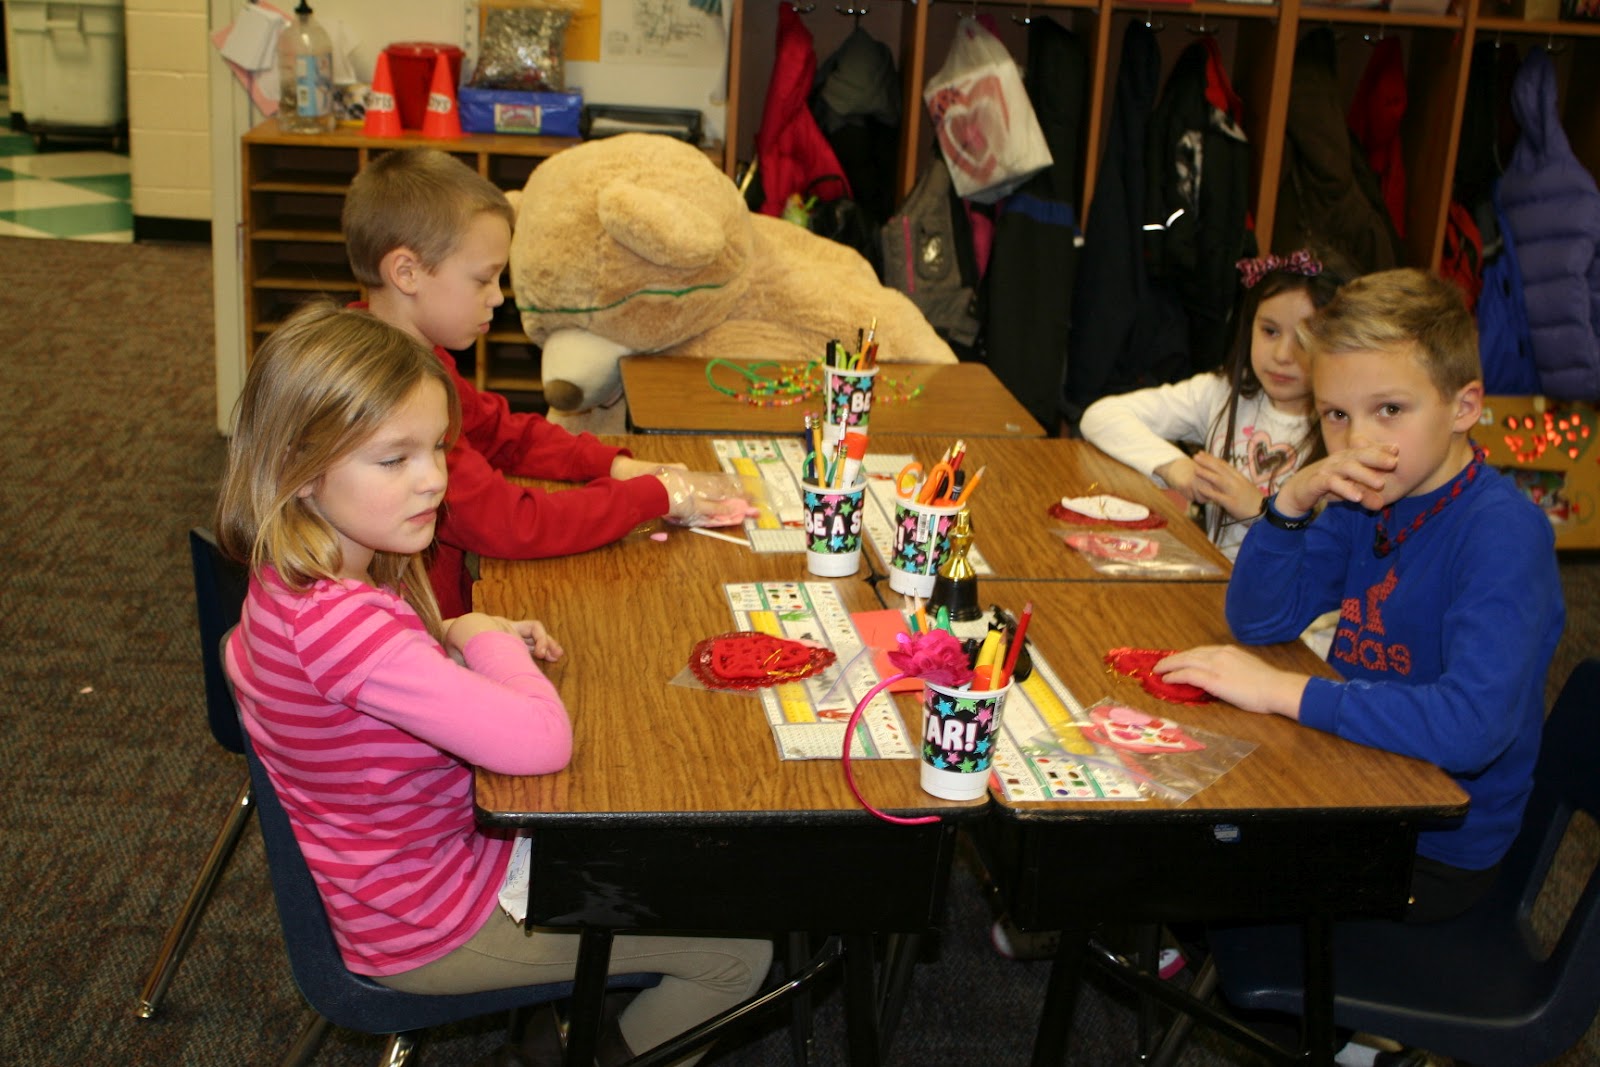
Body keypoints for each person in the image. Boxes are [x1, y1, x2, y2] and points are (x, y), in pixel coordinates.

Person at [218, 302, 772, 1066]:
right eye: (394, 460)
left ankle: (561, 1035)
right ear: (303, 472)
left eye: (437, 451)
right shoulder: (347, 626)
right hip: (433, 918)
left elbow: (293, 663)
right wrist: (478, 632)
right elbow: (542, 742)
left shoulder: (293, 582)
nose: (433, 482)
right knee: (741, 953)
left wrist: (441, 638)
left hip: (398, 871)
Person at [1158, 268, 1565, 923]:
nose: (1360, 442)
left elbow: (1471, 729)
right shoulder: (1365, 498)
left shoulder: (1504, 535)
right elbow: (1259, 619)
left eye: (1390, 410)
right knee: (1167, 797)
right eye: (1337, 416)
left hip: (1428, 848)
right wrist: (1287, 503)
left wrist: (1284, 692)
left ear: (1464, 406)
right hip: (1348, 778)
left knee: (1180, 850)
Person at [342, 147, 755, 618]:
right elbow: (513, 524)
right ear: (406, 272)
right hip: (414, 642)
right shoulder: (390, 398)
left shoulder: (414, 358)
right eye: (483, 280)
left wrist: (616, 467)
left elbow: (502, 433)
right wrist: (657, 495)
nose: (497, 298)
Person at [1078, 249, 1350, 561]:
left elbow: (1335, 558)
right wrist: (1176, 467)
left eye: (1305, 338)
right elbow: (1100, 417)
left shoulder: (1347, 428)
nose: (1282, 355)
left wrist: (1261, 512)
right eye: (1270, 331)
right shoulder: (1221, 392)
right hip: (1212, 584)